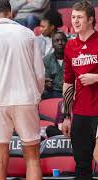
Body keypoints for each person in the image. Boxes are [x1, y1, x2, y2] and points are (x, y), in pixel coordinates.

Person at [0, 0, 44, 180]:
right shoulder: (27, 33)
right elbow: (40, 74)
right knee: (33, 158)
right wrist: (36, 96)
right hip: (26, 98)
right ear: (11, 13)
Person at [61, 1, 98, 179]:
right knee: (82, 165)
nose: (75, 21)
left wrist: (96, 77)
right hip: (81, 112)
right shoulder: (70, 46)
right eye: (73, 17)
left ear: (91, 19)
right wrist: (66, 115)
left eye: (80, 17)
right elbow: (68, 82)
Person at [42, 31, 67, 99]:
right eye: (57, 41)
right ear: (52, 44)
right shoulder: (46, 60)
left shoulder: (73, 58)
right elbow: (46, 79)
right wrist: (46, 83)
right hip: (53, 92)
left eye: (63, 40)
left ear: (67, 43)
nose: (60, 43)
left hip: (70, 91)